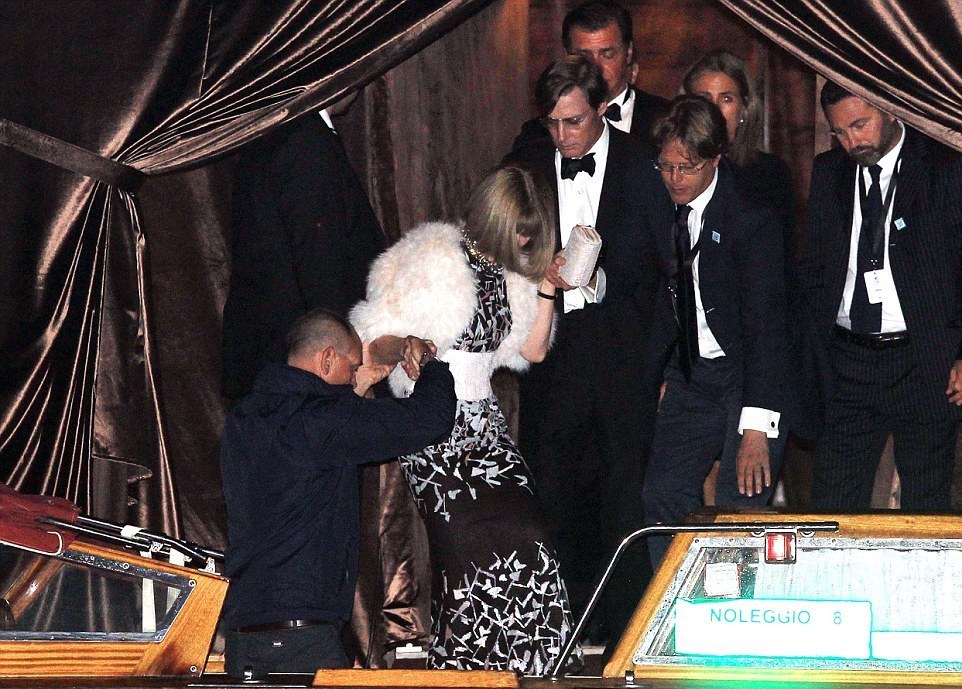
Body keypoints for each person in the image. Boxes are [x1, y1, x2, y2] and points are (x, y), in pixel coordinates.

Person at [350, 165, 576, 674]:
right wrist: (406, 345)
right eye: (517, 231)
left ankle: (533, 671)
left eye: (531, 233)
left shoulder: (509, 270)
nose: (524, 241)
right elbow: (371, 340)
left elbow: (533, 352)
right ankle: (468, 672)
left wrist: (546, 286)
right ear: (492, 218)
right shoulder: (429, 256)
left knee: (533, 536)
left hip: (486, 429)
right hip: (432, 428)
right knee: (468, 550)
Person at [504, 55, 664, 645]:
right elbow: (498, 244)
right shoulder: (526, 164)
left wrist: (600, 281)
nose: (563, 135)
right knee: (553, 490)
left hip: (621, 351)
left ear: (601, 109)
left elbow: (661, 267)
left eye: (574, 121)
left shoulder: (641, 164)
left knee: (622, 496)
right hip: (551, 351)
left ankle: (625, 634)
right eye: (553, 123)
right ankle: (561, 632)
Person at [220, 310, 456, 678]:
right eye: (351, 368)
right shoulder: (322, 420)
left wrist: (356, 389)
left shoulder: (245, 417)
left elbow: (314, 456)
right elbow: (429, 419)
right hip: (300, 639)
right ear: (327, 359)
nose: (352, 378)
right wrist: (430, 363)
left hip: (243, 632)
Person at [642, 96, 791, 567]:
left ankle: (734, 604)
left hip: (748, 378)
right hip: (692, 374)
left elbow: (769, 328)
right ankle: (671, 602)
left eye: (686, 168)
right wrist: (666, 372)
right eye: (665, 166)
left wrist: (756, 427)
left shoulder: (750, 217)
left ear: (715, 159)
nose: (674, 178)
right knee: (662, 494)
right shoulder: (663, 205)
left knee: (738, 508)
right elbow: (665, 295)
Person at [798, 82, 962, 511]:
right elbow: (813, 270)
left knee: (925, 506)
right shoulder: (830, 172)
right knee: (832, 504)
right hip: (848, 361)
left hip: (923, 360)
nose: (852, 142)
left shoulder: (943, 167)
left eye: (860, 125)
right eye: (839, 132)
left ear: (890, 109)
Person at [222, 101, 385, 399]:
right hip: (303, 372)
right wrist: (353, 377)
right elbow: (320, 265)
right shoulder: (305, 141)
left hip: (275, 363)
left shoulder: (276, 127)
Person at [681, 50, 795, 268]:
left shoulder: (770, 174)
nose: (714, 109)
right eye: (704, 98)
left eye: (726, 99)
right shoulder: (669, 169)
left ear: (744, 109)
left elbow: (783, 260)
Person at [512, 0, 668, 154]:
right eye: (584, 56)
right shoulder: (534, 136)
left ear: (628, 53)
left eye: (607, 55)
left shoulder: (667, 118)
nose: (596, 67)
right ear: (568, 57)